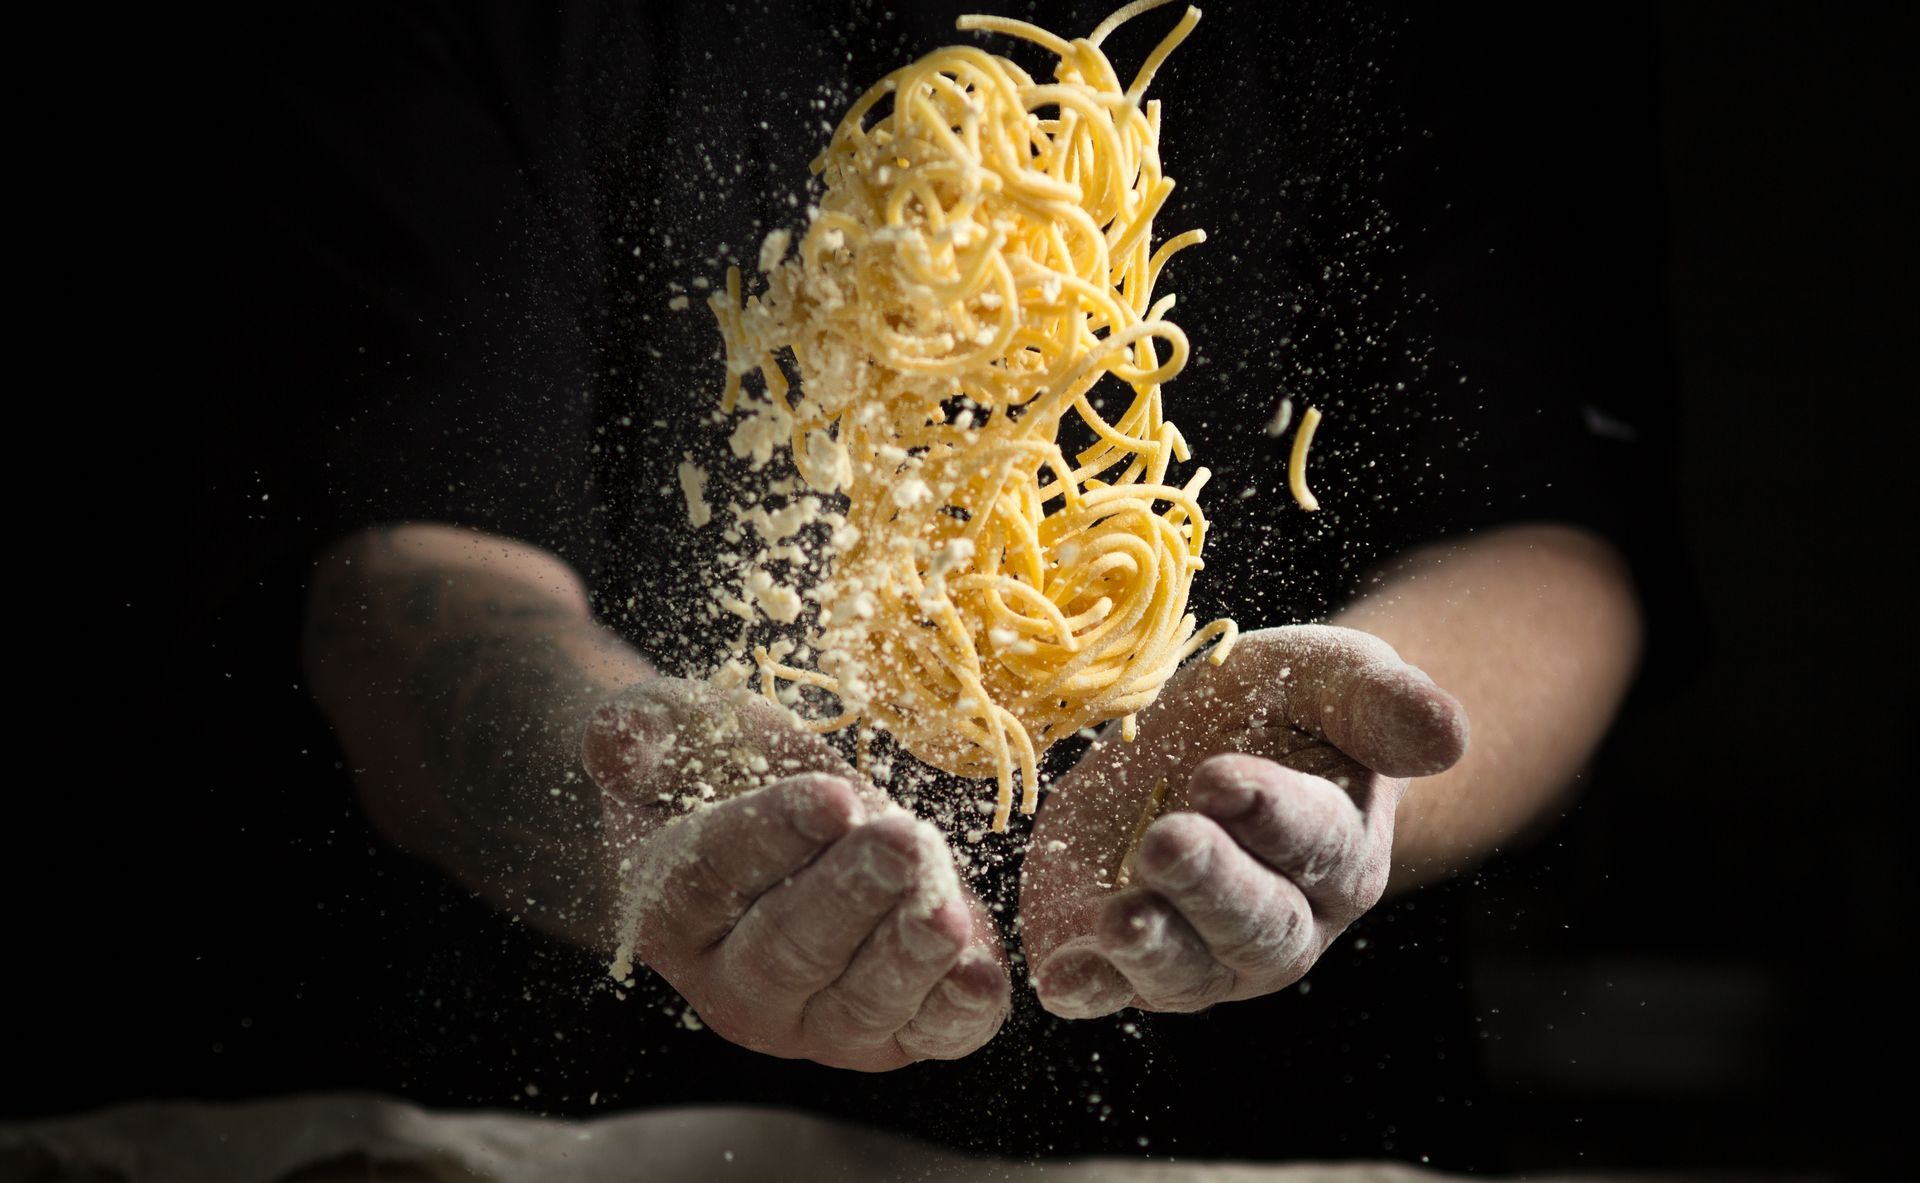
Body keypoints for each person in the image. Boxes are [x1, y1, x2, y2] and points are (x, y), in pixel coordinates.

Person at [97, 0, 1673, 1168]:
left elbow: (1552, 543)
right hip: (535, 1121)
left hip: (1249, 1130)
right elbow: (398, 572)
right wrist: (635, 810)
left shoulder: (1409, 36)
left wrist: (1330, 761)